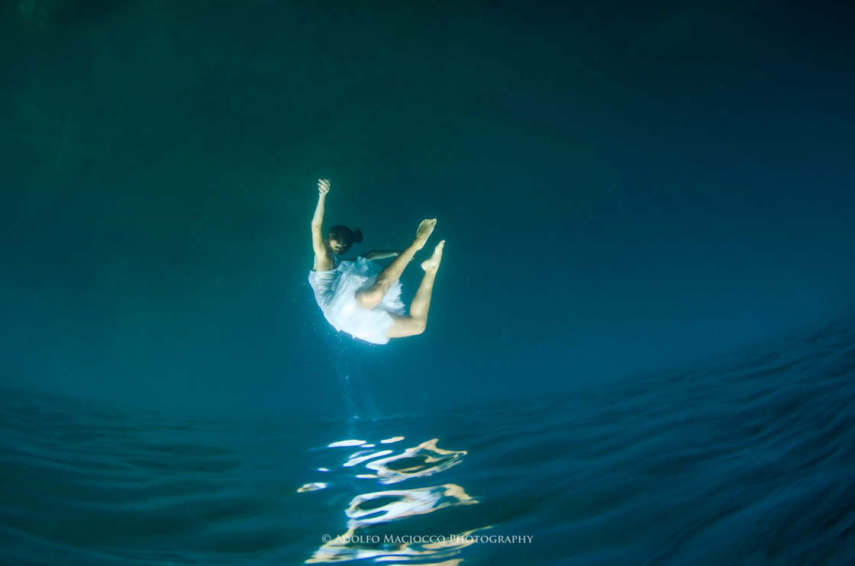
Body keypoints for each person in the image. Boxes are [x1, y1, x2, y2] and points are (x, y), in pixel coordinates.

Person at [309, 178, 444, 344]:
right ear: (328, 237)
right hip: (338, 311)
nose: (340, 246)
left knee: (417, 325)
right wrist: (322, 196)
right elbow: (315, 226)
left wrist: (395, 252)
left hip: (347, 318)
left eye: (344, 245)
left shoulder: (342, 267)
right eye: (338, 240)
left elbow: (370, 255)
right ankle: (417, 243)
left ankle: (430, 271)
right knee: (374, 294)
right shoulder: (322, 256)